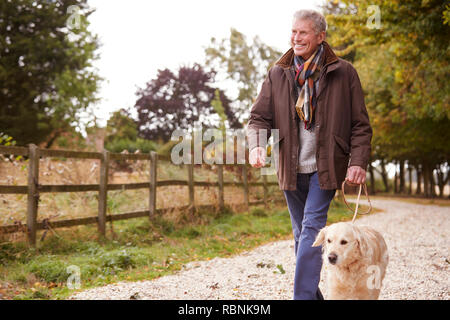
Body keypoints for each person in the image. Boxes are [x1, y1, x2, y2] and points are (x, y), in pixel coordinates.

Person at [247, 9, 372, 300]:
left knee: (311, 229)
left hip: (326, 167)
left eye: (303, 32)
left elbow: (360, 124)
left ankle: (301, 298)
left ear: (320, 36)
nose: (296, 37)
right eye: (293, 31)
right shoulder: (278, 73)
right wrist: (257, 144)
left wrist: (357, 161)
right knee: (302, 237)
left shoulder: (344, 72)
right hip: (290, 168)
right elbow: (258, 117)